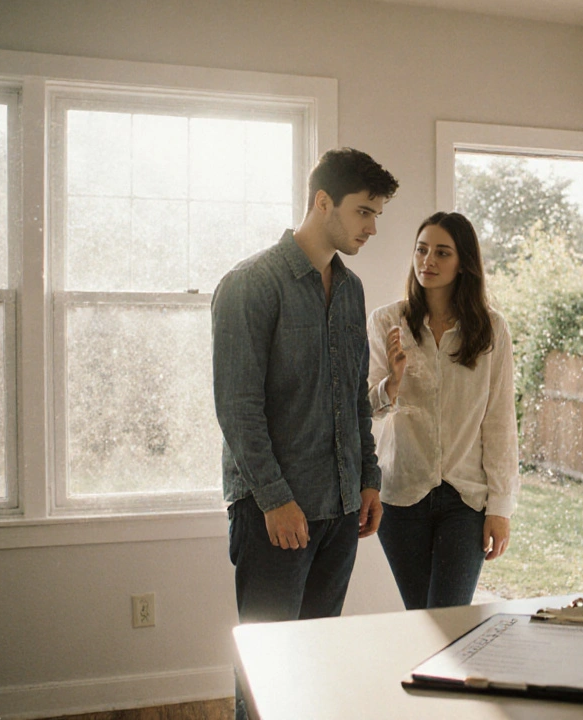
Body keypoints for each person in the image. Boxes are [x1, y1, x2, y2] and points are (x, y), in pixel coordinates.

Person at [211, 148, 398, 719]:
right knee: (265, 675)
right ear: (323, 202)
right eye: (363, 211)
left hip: (341, 511)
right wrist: (275, 500)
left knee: (317, 669)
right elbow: (238, 408)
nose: (371, 228)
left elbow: (353, 397)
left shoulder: (352, 290)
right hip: (275, 516)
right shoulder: (250, 285)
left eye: (377, 215)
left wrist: (368, 479)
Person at [366, 211, 519, 610]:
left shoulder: (491, 330)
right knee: (422, 619)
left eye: (442, 252)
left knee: (449, 618)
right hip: (402, 494)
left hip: (465, 500)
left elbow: (500, 422)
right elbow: (366, 409)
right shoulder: (387, 322)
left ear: (464, 262)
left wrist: (500, 508)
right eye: (421, 250)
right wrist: (392, 383)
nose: (427, 261)